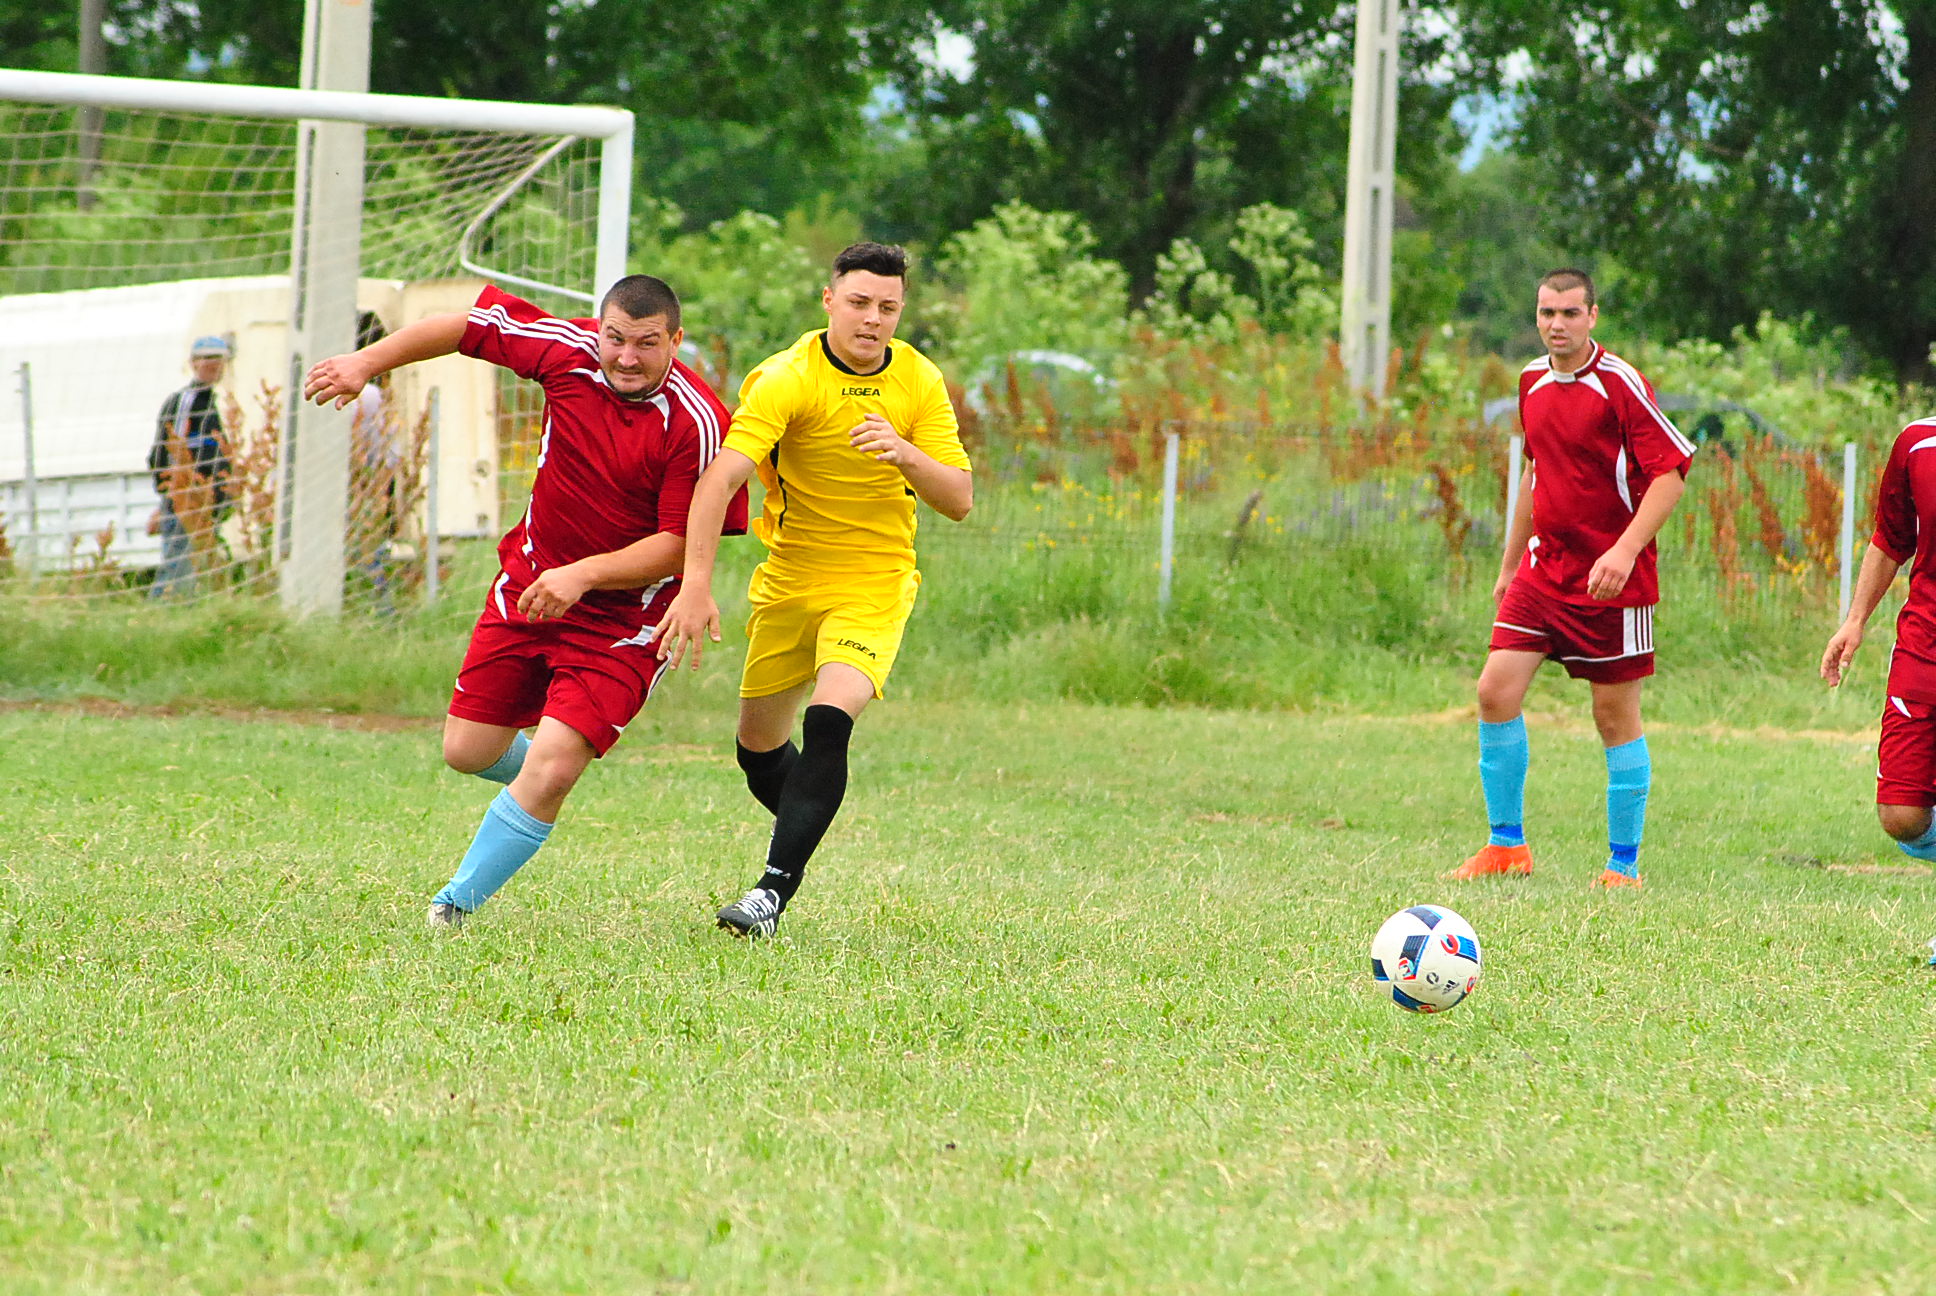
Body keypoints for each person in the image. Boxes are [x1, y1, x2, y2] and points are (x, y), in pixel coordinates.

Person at [303, 276, 747, 929]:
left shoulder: (698, 420)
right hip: (531, 587)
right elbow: (464, 326)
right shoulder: (566, 350)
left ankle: (452, 907)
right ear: (599, 329)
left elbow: (681, 543)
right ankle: (548, 771)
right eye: (616, 339)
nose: (626, 358)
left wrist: (584, 576)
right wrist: (366, 362)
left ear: (676, 341)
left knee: (551, 767)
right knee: (467, 751)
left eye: (647, 344)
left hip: (625, 621)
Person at [652, 242, 973, 939]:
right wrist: (696, 583)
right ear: (829, 301)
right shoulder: (786, 378)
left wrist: (904, 451)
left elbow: (959, 499)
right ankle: (808, 817)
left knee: (829, 720)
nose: (873, 319)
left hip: (875, 582)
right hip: (791, 581)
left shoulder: (919, 380)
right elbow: (720, 479)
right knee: (758, 752)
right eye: (859, 303)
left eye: (888, 307)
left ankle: (769, 896)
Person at [1449, 268, 1694, 890]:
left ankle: (1623, 866)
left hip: (1612, 584)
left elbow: (1669, 477)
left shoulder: (1620, 384)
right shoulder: (1531, 380)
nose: (1556, 324)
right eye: (1546, 313)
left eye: (1569, 313)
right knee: (1494, 691)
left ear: (1592, 316)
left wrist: (1624, 552)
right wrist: (1510, 566)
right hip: (1543, 571)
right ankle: (1506, 846)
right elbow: (1535, 474)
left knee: (1614, 717)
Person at [1820, 414, 1936, 962]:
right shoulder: (1917, 442)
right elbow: (1891, 538)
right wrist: (1854, 620)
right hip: (1923, 644)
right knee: (1901, 815)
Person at [147, 335, 233, 598]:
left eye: (218, 359)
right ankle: (160, 612)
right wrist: (172, 496)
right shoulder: (185, 401)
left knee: (199, 569)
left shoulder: (213, 403)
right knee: (177, 568)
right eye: (206, 358)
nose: (213, 364)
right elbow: (167, 452)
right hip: (186, 499)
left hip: (207, 501)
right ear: (193, 363)